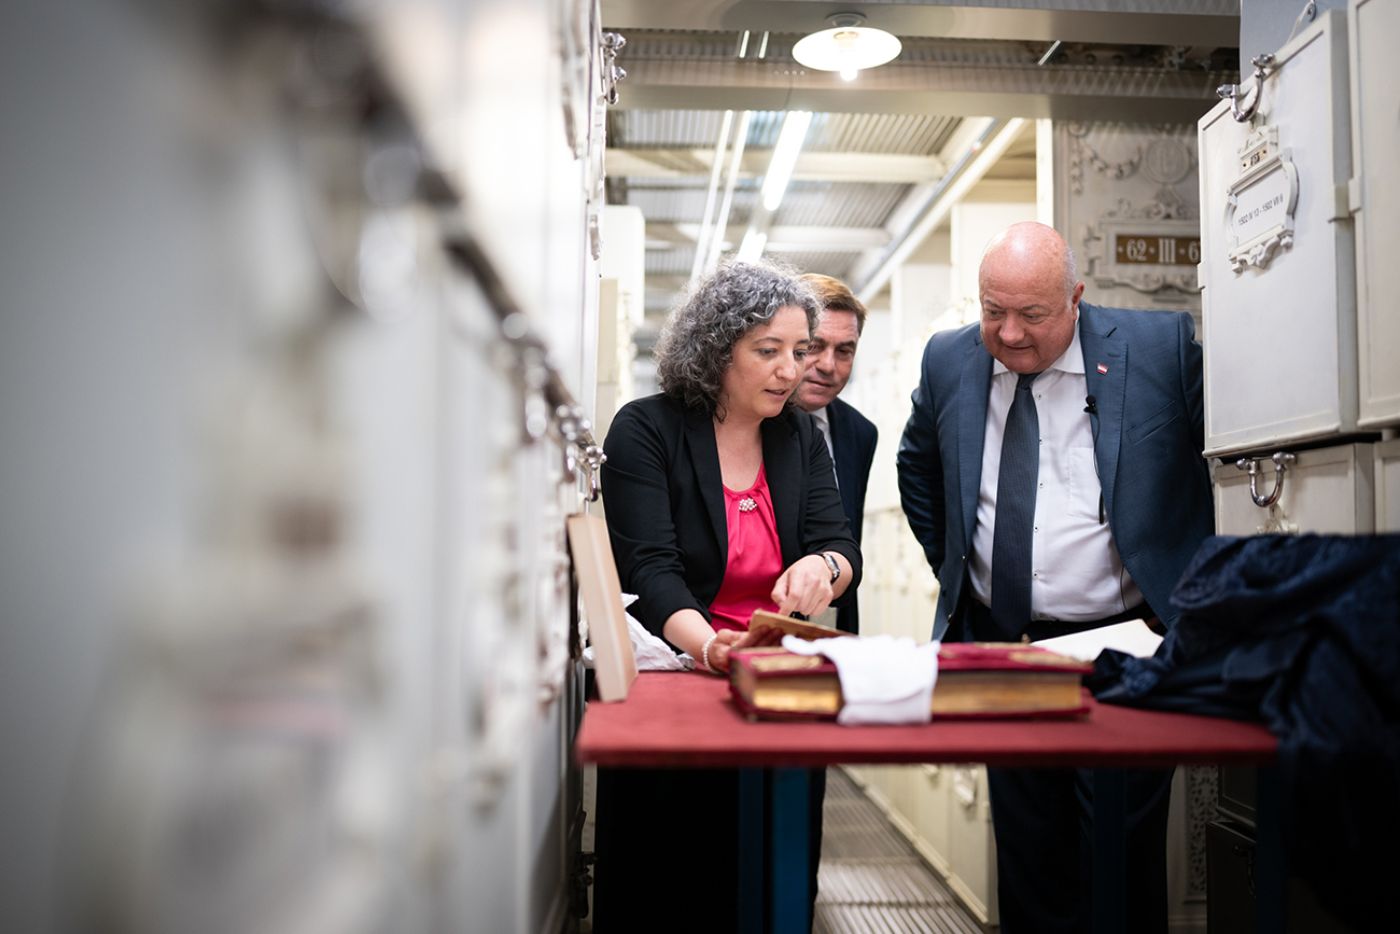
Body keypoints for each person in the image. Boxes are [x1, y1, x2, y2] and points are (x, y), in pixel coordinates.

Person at [896, 221, 1212, 933]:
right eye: (992, 310)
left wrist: (1183, 601)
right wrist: (961, 569)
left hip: (1127, 644)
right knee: (1028, 850)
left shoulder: (1159, 348)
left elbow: (1211, 472)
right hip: (1005, 643)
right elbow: (918, 465)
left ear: (1075, 297)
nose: (1008, 333)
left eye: (1032, 314)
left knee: (1121, 855)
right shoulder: (949, 360)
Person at [594, 259, 862, 932]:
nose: (790, 370)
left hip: (773, 683)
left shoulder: (799, 434)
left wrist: (822, 568)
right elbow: (652, 571)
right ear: (718, 351)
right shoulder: (645, 430)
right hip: (679, 675)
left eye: (797, 352)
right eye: (767, 351)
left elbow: (840, 544)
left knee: (774, 870)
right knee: (677, 878)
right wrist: (712, 646)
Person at [793, 273, 877, 635]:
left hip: (831, 623)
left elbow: (846, 537)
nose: (828, 365)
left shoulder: (859, 432)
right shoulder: (744, 424)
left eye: (845, 350)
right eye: (814, 345)